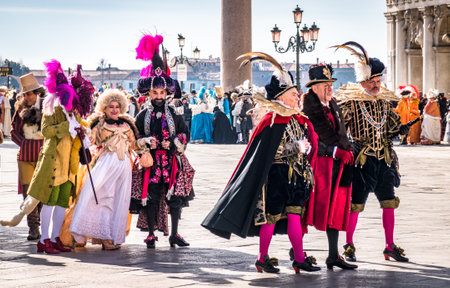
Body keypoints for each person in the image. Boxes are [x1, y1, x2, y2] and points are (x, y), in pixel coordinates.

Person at [202, 52, 320, 274]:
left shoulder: (297, 119)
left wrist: (307, 150)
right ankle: (262, 257)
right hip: (275, 177)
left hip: (296, 179)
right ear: (282, 97)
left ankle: (299, 258)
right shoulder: (272, 120)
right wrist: (298, 147)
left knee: (295, 214)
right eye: (294, 94)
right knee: (271, 218)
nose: (298, 97)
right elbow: (271, 153)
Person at [1, 61, 94, 254]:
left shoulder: (73, 111)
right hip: (51, 161)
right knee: (43, 199)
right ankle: (42, 238)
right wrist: (63, 129)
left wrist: (82, 132)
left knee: (61, 201)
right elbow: (46, 130)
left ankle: (55, 237)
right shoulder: (51, 108)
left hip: (69, 163)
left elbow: (79, 127)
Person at [333, 41, 410, 262]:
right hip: (361, 160)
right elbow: (338, 128)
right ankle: (348, 243)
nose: (377, 85)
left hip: (383, 159)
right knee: (355, 205)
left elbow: (390, 127)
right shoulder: (351, 102)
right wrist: (348, 142)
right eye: (373, 81)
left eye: (378, 81)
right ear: (364, 81)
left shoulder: (385, 102)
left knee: (388, 202)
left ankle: (389, 245)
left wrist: (400, 129)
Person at [134, 33, 194, 249]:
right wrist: (145, 142)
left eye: (162, 92)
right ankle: (151, 233)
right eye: (155, 92)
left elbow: (185, 132)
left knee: (175, 198)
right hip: (151, 162)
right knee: (150, 197)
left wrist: (176, 142)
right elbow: (136, 135)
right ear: (149, 93)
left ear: (167, 92)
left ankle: (175, 234)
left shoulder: (175, 113)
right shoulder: (142, 114)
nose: (159, 96)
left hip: (171, 161)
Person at [301, 64, 357, 270]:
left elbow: (340, 132)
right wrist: (334, 151)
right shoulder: (307, 110)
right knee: (307, 209)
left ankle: (333, 255)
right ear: (314, 88)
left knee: (335, 209)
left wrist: (347, 147)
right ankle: (297, 251)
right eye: (325, 85)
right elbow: (310, 141)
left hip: (338, 166)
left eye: (330, 84)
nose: (330, 88)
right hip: (319, 166)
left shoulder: (333, 105)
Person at [69, 89, 138, 250]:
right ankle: (103, 236)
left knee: (119, 201)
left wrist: (146, 143)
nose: (115, 110)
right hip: (106, 163)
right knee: (100, 197)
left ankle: (113, 236)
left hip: (124, 166)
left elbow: (134, 145)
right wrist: (82, 132)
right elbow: (89, 140)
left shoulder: (128, 124)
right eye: (110, 107)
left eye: (117, 106)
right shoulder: (99, 123)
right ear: (104, 108)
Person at [9, 74, 46, 240]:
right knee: (28, 193)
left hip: (45, 156)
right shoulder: (20, 108)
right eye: (24, 94)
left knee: (42, 193)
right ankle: (33, 228)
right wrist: (24, 143)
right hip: (25, 156)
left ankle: (40, 224)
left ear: (37, 93)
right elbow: (13, 131)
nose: (26, 97)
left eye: (29, 93)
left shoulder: (48, 107)